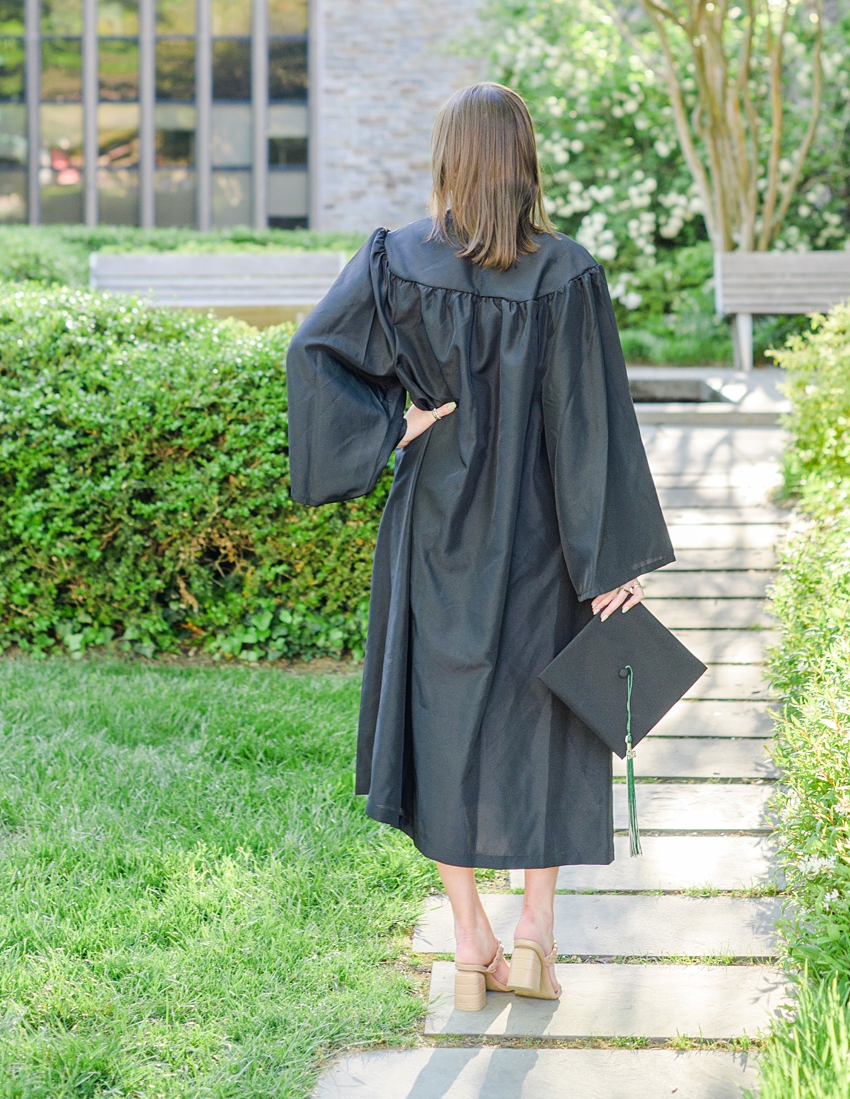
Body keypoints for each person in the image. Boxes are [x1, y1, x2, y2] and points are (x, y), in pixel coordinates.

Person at [287, 82, 673, 1012]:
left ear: (451, 161)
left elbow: (314, 355)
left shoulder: (395, 261)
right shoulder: (567, 271)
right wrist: (609, 558)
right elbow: (593, 425)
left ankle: (471, 945)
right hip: (547, 533)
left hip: (438, 530)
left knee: (445, 720)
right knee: (545, 718)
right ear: (525, 162)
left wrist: (395, 425)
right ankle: (536, 934)